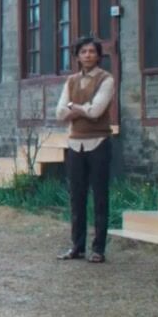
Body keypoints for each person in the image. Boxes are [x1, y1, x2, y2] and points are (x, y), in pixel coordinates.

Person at [54, 37, 115, 264]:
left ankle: (98, 249)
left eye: (92, 51)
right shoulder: (71, 81)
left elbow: (96, 111)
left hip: (98, 142)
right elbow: (59, 113)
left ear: (98, 55)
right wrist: (82, 109)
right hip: (75, 144)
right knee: (76, 197)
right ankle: (77, 247)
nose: (88, 55)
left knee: (100, 197)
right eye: (83, 51)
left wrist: (73, 107)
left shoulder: (106, 79)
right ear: (77, 56)